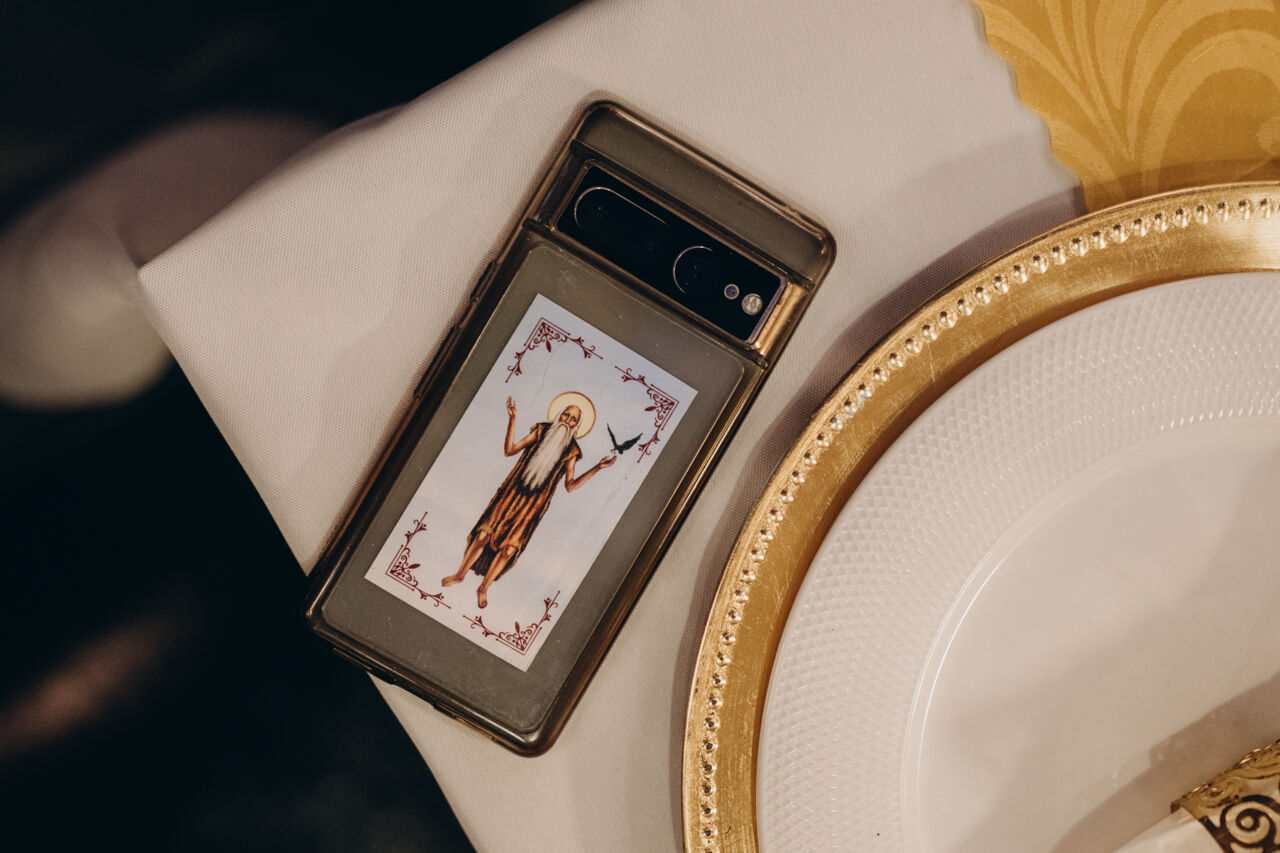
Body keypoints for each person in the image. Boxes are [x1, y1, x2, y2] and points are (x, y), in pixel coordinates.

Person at [441, 392, 615, 608]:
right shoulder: (541, 430)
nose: (567, 421)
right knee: (484, 535)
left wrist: (597, 467)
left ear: (576, 426)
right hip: (510, 493)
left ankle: (483, 588)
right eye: (565, 415)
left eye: (573, 419)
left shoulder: (572, 450)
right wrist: (512, 419)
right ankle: (460, 574)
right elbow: (509, 450)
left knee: (509, 549)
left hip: (532, 507)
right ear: (559, 414)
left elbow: (570, 486)